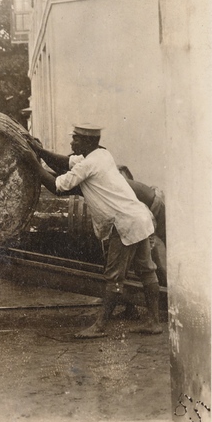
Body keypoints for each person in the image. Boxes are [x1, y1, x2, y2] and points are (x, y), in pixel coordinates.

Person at [28, 123, 163, 338]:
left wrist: (33, 165)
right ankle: (154, 323)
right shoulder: (102, 155)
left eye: (76, 139)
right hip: (139, 218)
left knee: (114, 278)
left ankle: (99, 327)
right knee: (147, 271)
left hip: (124, 224)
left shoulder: (88, 165)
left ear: (88, 142)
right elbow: (66, 162)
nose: (72, 143)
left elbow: (57, 187)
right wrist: (41, 152)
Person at [118, 165, 167, 286]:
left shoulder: (114, 179)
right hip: (149, 208)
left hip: (152, 209)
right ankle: (164, 285)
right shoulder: (116, 177)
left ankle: (166, 287)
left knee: (156, 253)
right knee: (151, 254)